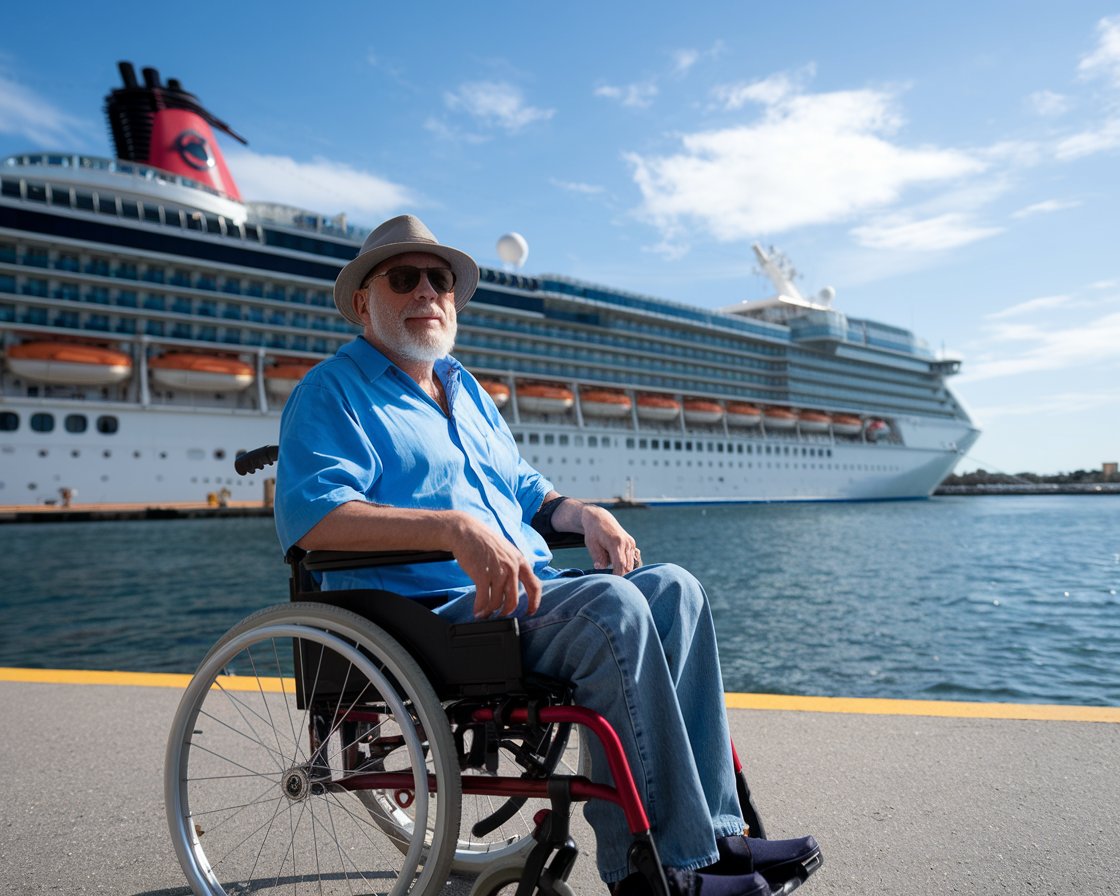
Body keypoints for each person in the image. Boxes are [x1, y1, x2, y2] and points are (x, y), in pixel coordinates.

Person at [274, 215, 820, 896]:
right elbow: (312, 519)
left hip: (529, 587)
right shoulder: (332, 391)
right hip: (430, 613)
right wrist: (452, 531)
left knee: (675, 587)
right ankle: (657, 873)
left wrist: (579, 512)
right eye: (404, 278)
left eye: (439, 279)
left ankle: (715, 838)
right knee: (613, 609)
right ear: (363, 300)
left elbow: (525, 487)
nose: (426, 292)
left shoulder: (464, 388)